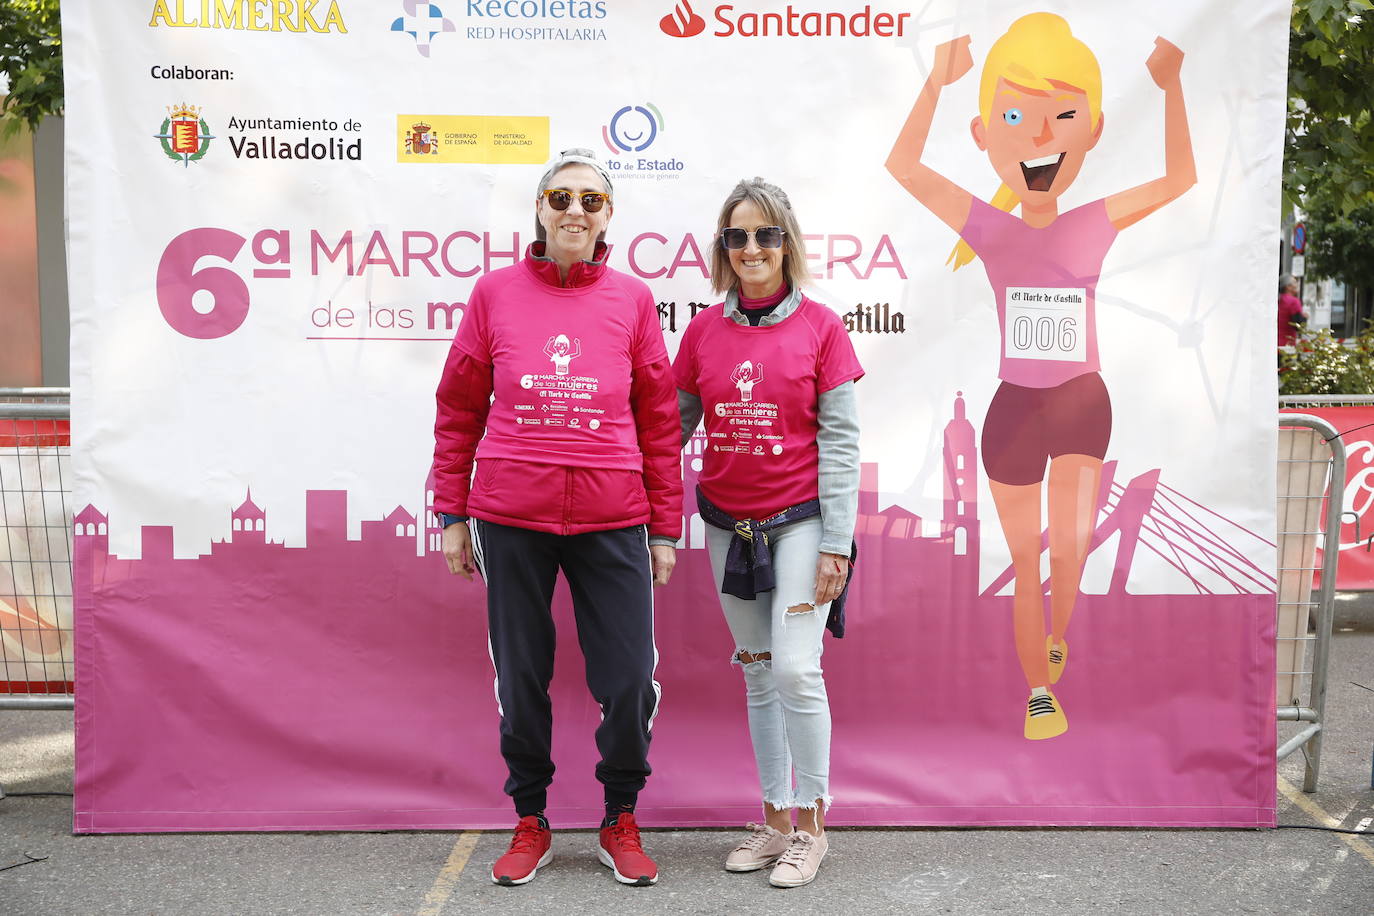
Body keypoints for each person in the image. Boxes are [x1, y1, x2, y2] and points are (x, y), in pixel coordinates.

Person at [885, 14, 1195, 739]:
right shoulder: (987, 229)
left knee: (1068, 554)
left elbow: (1182, 178)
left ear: (1091, 130)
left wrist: (1173, 85)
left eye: (1061, 117)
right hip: (1015, 413)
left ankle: (1057, 633)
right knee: (1028, 562)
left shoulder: (1094, 219)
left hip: (1082, 404)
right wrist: (934, 81)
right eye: (1015, 117)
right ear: (983, 134)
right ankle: (1039, 690)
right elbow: (903, 169)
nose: (1037, 137)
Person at [432, 148, 682, 887]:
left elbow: (659, 421)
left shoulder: (633, 301)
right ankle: (531, 818)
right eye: (562, 197)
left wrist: (664, 528)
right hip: (512, 515)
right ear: (540, 209)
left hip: (613, 516)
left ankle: (619, 816)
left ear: (609, 217)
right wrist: (451, 511)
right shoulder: (495, 295)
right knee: (521, 675)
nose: (576, 210)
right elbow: (458, 408)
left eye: (592, 201)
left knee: (631, 675)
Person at [673, 178, 863, 888]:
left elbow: (841, 444)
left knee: (793, 667)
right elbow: (672, 429)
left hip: (802, 525)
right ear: (724, 248)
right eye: (737, 236)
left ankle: (813, 827)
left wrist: (837, 542)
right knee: (757, 673)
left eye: (765, 235)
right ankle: (775, 819)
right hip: (729, 525)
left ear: (787, 242)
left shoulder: (822, 328)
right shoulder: (700, 332)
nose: (751, 248)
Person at [1278, 274, 1306, 347]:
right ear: (1288, 286)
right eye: (1295, 282)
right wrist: (1304, 318)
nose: (1297, 285)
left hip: (1274, 343)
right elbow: (1298, 326)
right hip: (1287, 344)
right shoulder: (1294, 302)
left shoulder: (1277, 300)